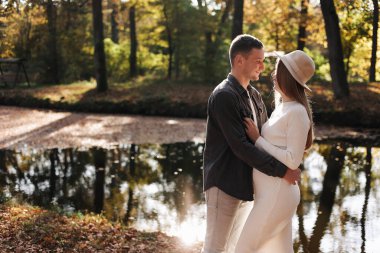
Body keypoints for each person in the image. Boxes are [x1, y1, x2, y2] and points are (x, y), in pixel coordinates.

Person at [202, 34, 301, 253]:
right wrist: (281, 170)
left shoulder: (254, 95)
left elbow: (262, 139)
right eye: (258, 61)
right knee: (215, 249)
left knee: (233, 248)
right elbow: (240, 146)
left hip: (247, 186)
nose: (263, 66)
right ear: (239, 60)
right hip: (224, 183)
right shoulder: (224, 96)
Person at [235, 50, 315, 252]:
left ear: (286, 76)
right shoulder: (282, 107)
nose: (272, 74)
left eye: (277, 69)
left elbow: (292, 160)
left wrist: (258, 139)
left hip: (277, 196)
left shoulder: (297, 112)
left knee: (243, 248)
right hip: (269, 194)